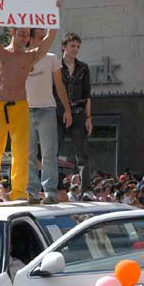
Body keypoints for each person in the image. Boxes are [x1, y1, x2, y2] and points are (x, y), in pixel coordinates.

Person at [0, 0, 60, 202]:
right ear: (12, 32)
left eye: (27, 34)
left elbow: (47, 41)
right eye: (21, 33)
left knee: (21, 151)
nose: (25, 37)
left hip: (20, 106)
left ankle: (19, 192)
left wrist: (55, 13)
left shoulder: (30, 56)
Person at [25, 28, 72, 204]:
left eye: (45, 36)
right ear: (31, 38)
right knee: (29, 153)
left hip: (47, 110)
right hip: (25, 110)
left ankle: (51, 192)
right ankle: (32, 192)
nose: (44, 39)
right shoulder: (23, 56)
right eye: (40, 36)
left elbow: (59, 85)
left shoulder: (52, 58)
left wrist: (67, 109)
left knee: (49, 153)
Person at [58, 33, 92, 193]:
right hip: (58, 112)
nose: (76, 49)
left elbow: (87, 95)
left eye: (78, 47)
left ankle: (86, 190)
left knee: (82, 153)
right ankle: (54, 188)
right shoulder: (55, 65)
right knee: (53, 150)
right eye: (72, 46)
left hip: (78, 112)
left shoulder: (83, 68)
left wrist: (89, 118)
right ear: (64, 46)